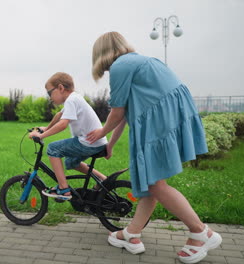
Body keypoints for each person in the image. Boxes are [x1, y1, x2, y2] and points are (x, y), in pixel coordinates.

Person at [86, 32, 222, 264]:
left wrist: (101, 132)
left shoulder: (120, 66)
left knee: (154, 184)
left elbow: (117, 111)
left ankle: (201, 233)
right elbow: (126, 113)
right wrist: (111, 143)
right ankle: (132, 233)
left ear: (101, 54)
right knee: (153, 182)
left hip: (159, 119)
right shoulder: (141, 62)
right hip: (171, 114)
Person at [29, 72, 108, 200]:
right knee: (71, 162)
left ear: (60, 88)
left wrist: (41, 137)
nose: (50, 98)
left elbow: (62, 124)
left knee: (53, 148)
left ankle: (63, 189)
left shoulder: (71, 100)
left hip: (88, 142)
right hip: (95, 142)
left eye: (49, 93)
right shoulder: (73, 98)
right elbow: (59, 116)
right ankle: (103, 179)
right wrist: (45, 129)